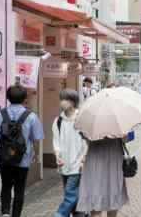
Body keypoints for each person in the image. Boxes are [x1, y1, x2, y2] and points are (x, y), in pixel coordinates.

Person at [0, 85, 44, 217]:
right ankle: (15, 215)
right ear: (25, 98)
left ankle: (5, 213)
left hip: (3, 157)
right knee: (19, 188)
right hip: (23, 159)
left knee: (5, 185)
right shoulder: (31, 116)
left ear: (8, 98)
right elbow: (36, 139)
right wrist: (35, 155)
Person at [53, 89, 88, 217]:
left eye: (65, 99)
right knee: (72, 195)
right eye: (61, 99)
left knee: (70, 193)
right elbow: (56, 141)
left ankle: (59, 214)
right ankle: (82, 214)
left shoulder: (81, 119)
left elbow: (87, 142)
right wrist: (57, 156)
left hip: (78, 164)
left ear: (73, 102)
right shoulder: (58, 121)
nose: (62, 102)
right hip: (63, 165)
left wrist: (84, 159)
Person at [76, 138, 129, 217]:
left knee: (96, 194)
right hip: (113, 156)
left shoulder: (93, 126)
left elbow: (87, 140)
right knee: (113, 192)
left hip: (96, 156)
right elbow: (125, 139)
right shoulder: (117, 126)